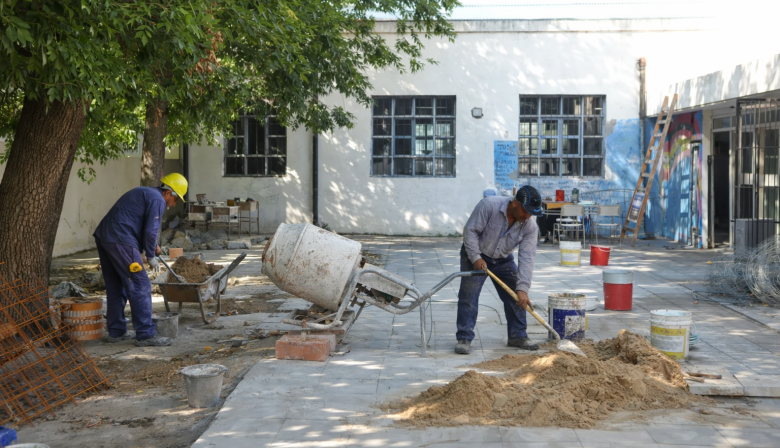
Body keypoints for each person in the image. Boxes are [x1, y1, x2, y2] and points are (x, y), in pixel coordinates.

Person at [93, 173, 188, 347]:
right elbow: (151, 230)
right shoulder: (158, 200)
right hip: (121, 240)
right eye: (175, 199)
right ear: (168, 193)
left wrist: (153, 247)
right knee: (140, 283)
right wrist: (151, 256)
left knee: (116, 284)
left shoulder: (146, 193)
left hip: (105, 236)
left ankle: (116, 331)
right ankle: (145, 333)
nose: (172, 204)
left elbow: (139, 224)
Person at [455, 185, 543, 354]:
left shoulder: (529, 226)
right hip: (475, 253)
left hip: (503, 259)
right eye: (526, 211)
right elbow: (470, 231)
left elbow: (527, 257)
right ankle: (464, 338)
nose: (527, 216)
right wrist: (476, 257)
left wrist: (523, 288)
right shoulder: (488, 205)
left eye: (531, 213)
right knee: (469, 295)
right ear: (516, 202)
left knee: (517, 296)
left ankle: (518, 335)